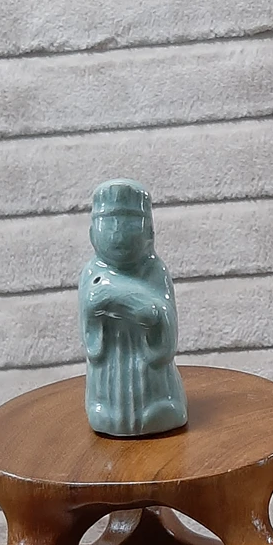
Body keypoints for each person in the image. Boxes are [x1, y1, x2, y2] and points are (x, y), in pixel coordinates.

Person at [78, 179, 188, 437]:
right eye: (109, 222)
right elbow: (91, 341)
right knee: (103, 413)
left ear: (149, 232)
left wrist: (146, 310)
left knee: (160, 410)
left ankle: (159, 408)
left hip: (152, 383)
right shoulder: (92, 272)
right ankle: (107, 410)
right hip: (108, 377)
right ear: (92, 234)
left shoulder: (154, 270)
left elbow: (167, 334)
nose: (117, 233)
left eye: (128, 222)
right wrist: (93, 309)